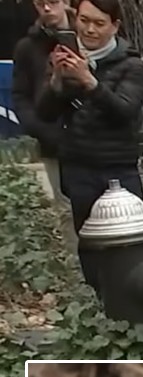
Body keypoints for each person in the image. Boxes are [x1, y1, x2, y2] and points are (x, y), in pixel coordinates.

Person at [36, 0, 143, 290]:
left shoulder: (132, 65)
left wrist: (90, 81)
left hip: (118, 170)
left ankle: (137, 318)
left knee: (130, 250)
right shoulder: (65, 56)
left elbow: (125, 110)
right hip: (79, 168)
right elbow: (45, 113)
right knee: (90, 248)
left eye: (99, 23)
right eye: (84, 20)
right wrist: (57, 83)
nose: (89, 29)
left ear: (114, 26)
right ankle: (100, 315)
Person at [12, 0, 75, 216]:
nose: (47, 8)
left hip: (92, 138)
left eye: (53, 2)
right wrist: (39, 128)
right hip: (51, 140)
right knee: (65, 209)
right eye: (40, 3)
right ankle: (71, 251)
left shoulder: (87, 34)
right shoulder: (27, 47)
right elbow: (20, 95)